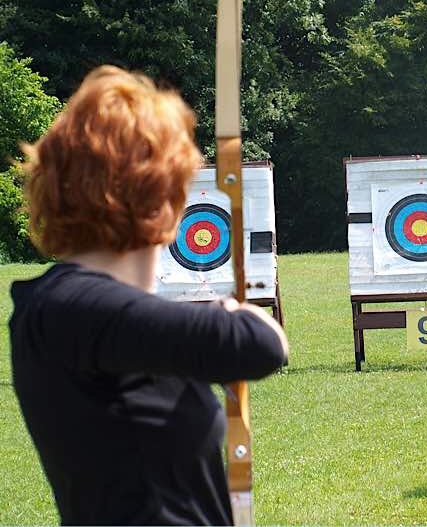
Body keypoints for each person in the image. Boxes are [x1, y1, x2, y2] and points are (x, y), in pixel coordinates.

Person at [9, 66, 288, 526]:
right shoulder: (65, 307)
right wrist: (228, 311)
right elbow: (258, 345)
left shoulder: (90, 315)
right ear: (159, 195)